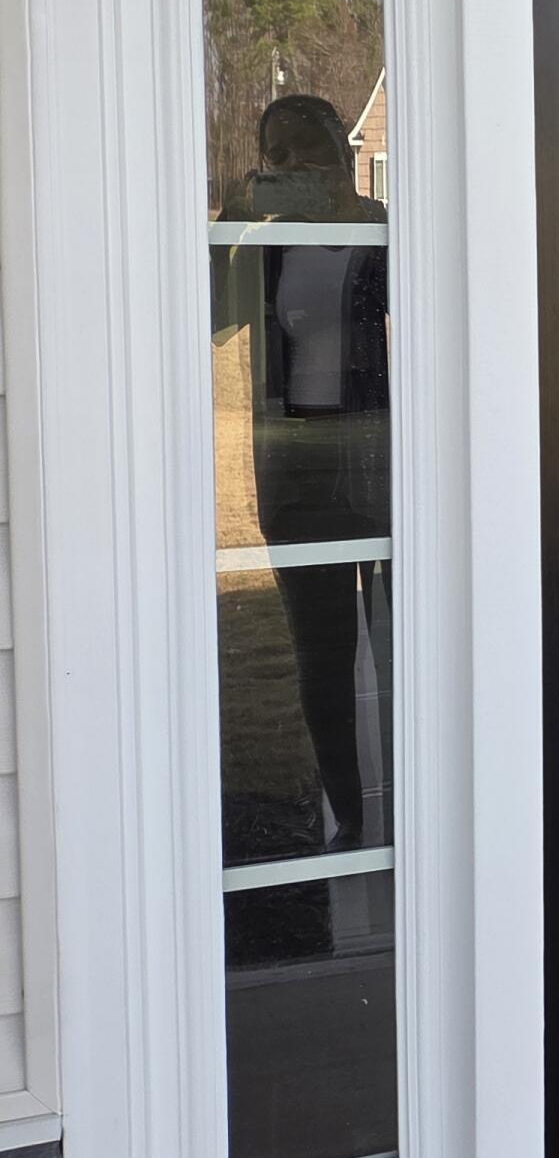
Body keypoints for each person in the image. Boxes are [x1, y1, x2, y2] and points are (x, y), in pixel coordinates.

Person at [216, 91, 390, 854]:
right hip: (296, 475)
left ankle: (415, 810)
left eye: (303, 150)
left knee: (400, 649)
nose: (287, 166)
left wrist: (352, 216)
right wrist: (228, 214)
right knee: (321, 660)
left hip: (384, 465)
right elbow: (213, 318)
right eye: (274, 156)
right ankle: (350, 821)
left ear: (345, 156)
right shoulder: (266, 242)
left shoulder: (387, 229)